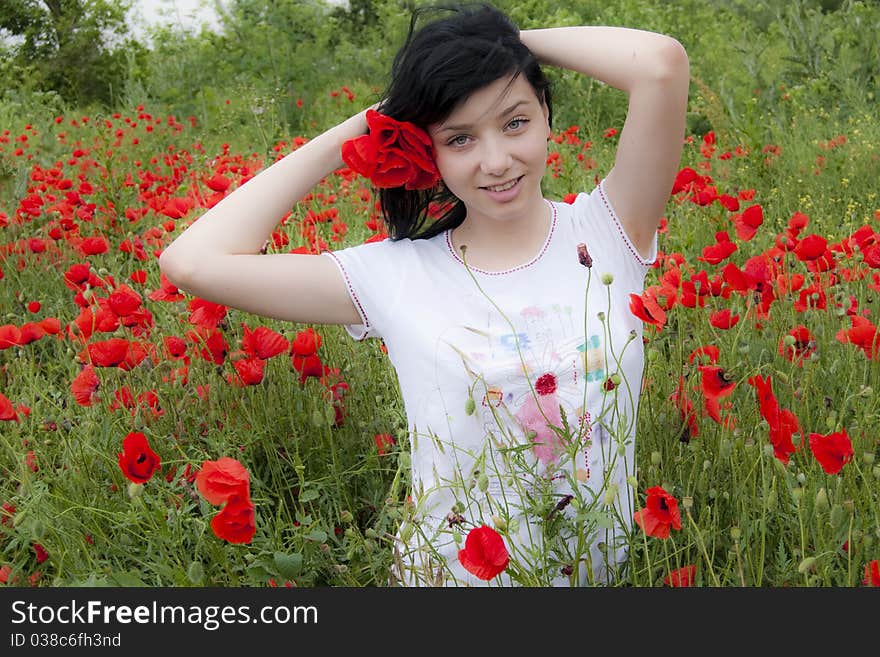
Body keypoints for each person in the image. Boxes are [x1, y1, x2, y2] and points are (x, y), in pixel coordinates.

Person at [159, 3, 689, 586]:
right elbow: (190, 263)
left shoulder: (609, 232)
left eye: (515, 123)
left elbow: (661, 65)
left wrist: (497, 46)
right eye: (459, 138)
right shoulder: (395, 276)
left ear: (545, 113)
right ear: (425, 150)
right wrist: (368, 127)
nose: (495, 161)